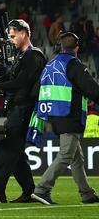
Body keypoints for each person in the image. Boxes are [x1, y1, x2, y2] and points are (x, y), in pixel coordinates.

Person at [0, 19, 46, 203]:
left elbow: (21, 82)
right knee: (15, 153)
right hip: (18, 109)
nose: (10, 39)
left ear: (24, 33)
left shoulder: (33, 56)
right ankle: (29, 192)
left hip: (24, 110)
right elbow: (10, 77)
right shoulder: (23, 57)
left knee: (7, 148)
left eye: (13, 36)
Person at [31, 32, 99, 205]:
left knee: (77, 157)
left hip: (54, 115)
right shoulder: (74, 64)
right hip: (70, 115)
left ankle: (87, 193)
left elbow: (36, 90)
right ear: (77, 48)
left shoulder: (50, 65)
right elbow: (92, 90)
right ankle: (42, 189)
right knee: (66, 155)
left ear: (60, 47)